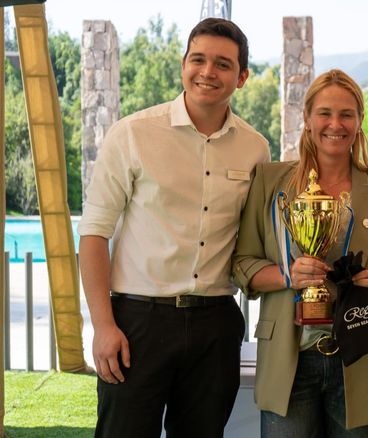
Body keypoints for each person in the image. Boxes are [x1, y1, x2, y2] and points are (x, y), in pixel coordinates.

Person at [78, 18, 270, 438]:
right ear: (183, 65)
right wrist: (103, 325)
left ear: (241, 77)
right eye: (198, 59)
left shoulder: (255, 148)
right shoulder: (132, 134)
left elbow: (255, 238)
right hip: (137, 323)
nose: (207, 72)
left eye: (223, 64)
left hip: (216, 324)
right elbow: (93, 233)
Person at [232, 69, 368, 437]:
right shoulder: (269, 182)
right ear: (307, 118)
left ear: (360, 120)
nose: (335, 124)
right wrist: (287, 275)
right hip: (288, 361)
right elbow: (243, 263)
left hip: (359, 359)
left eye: (347, 114)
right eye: (325, 113)